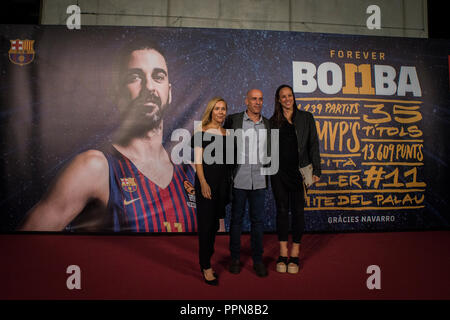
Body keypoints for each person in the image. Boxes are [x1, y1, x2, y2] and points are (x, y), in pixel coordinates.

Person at [17, 38, 197, 233]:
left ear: (169, 93)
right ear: (117, 94)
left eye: (158, 77)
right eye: (135, 77)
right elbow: (23, 243)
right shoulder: (94, 167)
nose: (149, 87)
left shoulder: (192, 174)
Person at [269, 84, 321, 274]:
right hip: (278, 173)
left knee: (298, 212)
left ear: (293, 97)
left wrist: (317, 169)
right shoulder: (272, 121)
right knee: (282, 211)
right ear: (278, 100)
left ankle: (296, 252)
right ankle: (283, 253)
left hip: (300, 173)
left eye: (289, 95)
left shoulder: (306, 117)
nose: (287, 99)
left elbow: (313, 144)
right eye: (283, 96)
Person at [224, 89, 272, 278]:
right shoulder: (233, 120)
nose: (257, 102)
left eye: (260, 99)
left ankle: (258, 260)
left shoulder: (267, 124)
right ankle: (235, 258)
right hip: (238, 179)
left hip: (259, 181)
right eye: (254, 99)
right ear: (246, 101)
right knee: (236, 221)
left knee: (258, 222)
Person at [192, 97, 231, 285]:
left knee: (215, 225)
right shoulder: (202, 131)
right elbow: (197, 161)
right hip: (206, 185)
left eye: (223, 109)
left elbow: (228, 163)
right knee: (206, 226)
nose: (221, 112)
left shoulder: (227, 134)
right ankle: (205, 265)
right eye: (217, 108)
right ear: (211, 110)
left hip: (222, 186)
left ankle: (208, 256)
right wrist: (203, 182)